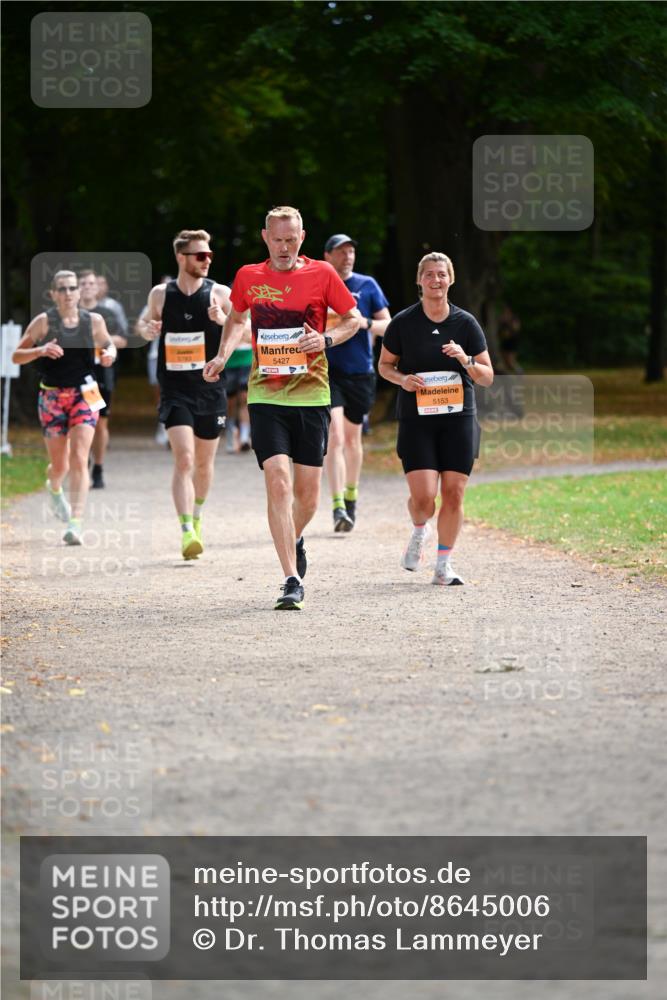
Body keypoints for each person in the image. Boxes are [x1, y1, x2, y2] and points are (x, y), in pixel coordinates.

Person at [203, 206, 360, 610]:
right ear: (265, 237)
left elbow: (354, 319)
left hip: (312, 395)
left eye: (292, 240)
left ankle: (297, 534)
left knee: (307, 498)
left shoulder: (323, 274)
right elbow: (237, 318)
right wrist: (222, 355)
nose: (285, 247)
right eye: (278, 240)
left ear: (302, 237)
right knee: (277, 479)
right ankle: (291, 579)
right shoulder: (248, 276)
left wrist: (325, 340)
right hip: (265, 395)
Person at [378, 252, 494, 585]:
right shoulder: (403, 322)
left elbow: (487, 376)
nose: (436, 280)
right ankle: (419, 530)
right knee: (424, 497)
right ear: (419, 280)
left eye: (442, 274)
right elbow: (384, 366)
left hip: (459, 418)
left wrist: (465, 358)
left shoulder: (466, 323)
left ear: (450, 279)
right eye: (429, 274)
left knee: (455, 492)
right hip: (417, 419)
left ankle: (443, 565)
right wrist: (403, 380)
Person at [138, 230, 233, 560]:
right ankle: (186, 531)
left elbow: (246, 328)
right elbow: (142, 324)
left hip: (210, 390)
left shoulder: (219, 293)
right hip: (175, 390)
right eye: (199, 255)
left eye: (209, 255)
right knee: (185, 459)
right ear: (181, 257)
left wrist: (224, 321)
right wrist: (147, 329)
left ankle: (197, 515)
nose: (207, 260)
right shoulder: (161, 294)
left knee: (204, 465)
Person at [11, 270, 116, 545]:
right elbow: (16, 355)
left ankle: (75, 522)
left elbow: (108, 344)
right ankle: (55, 488)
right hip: (52, 396)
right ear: (53, 294)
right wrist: (40, 350)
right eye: (63, 289)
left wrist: (108, 354)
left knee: (80, 457)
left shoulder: (93, 321)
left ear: (79, 293)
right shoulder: (44, 322)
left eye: (72, 288)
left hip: (85, 393)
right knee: (60, 465)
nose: (69, 293)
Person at [322, 233, 391, 531]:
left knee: (352, 439)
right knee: (334, 437)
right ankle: (337, 506)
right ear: (328, 256)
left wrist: (365, 324)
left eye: (351, 251)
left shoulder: (368, 285)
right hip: (327, 371)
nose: (347, 256)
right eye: (341, 251)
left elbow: (388, 325)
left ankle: (351, 498)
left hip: (360, 372)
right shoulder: (320, 284)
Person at [78, 270, 128, 487]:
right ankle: (82, 463)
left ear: (97, 288)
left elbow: (123, 340)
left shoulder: (106, 314)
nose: (88, 287)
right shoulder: (69, 314)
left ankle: (98, 467)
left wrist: (101, 340)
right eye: (83, 283)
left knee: (99, 423)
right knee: (79, 424)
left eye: (91, 283)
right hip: (76, 375)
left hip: (101, 374)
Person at [139, 275, 172, 446]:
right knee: (160, 394)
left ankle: (174, 428)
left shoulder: (183, 301)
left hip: (181, 356)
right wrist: (149, 329)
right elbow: (140, 325)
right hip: (156, 356)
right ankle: (162, 426)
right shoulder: (153, 302)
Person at [224, 328, 253, 454]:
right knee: (230, 403)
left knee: (244, 399)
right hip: (228, 361)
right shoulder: (225, 308)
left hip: (247, 359)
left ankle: (244, 437)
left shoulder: (253, 309)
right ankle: (231, 435)